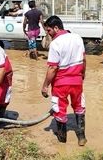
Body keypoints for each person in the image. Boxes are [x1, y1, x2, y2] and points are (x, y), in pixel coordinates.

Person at [41, 16, 87, 146]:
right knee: (79, 107)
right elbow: (84, 60)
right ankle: (81, 137)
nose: (48, 34)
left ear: (56, 28)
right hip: (77, 81)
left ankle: (62, 141)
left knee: (59, 109)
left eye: (49, 30)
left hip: (61, 83)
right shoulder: (77, 37)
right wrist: (82, 75)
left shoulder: (55, 43)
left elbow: (53, 68)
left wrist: (45, 86)